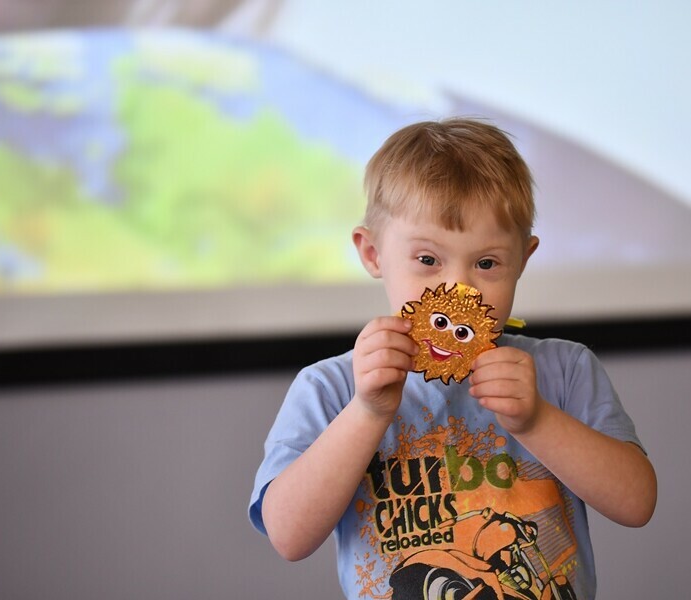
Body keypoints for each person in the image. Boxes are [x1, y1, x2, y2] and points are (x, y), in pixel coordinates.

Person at [249, 118, 657, 599]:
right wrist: (367, 412)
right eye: (427, 260)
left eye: (487, 263)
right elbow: (289, 536)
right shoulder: (332, 388)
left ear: (523, 260)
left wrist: (536, 421)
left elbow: (636, 503)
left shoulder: (563, 371)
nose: (458, 289)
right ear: (373, 253)